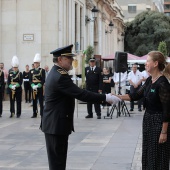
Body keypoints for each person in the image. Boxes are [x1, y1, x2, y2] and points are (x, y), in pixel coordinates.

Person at [41, 44, 121, 170]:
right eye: (69, 58)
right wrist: (106, 97)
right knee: (57, 164)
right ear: (60, 59)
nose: (72, 60)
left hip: (55, 124)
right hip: (56, 125)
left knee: (58, 162)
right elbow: (81, 94)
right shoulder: (60, 76)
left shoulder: (57, 72)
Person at [116, 51, 170, 170]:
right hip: (148, 120)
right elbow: (135, 96)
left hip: (158, 123)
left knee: (157, 154)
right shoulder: (150, 80)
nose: (145, 64)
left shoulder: (163, 84)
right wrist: (117, 97)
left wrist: (164, 132)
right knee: (148, 152)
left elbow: (167, 110)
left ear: (155, 63)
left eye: (147, 61)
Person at [29, 53, 45, 118]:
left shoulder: (42, 70)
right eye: (34, 63)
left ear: (39, 63)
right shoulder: (31, 71)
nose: (35, 64)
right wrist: (33, 85)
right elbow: (30, 80)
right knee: (34, 101)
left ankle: (42, 113)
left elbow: (43, 79)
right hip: (33, 88)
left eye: (36, 63)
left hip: (39, 87)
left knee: (41, 101)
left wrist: (38, 85)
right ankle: (34, 113)